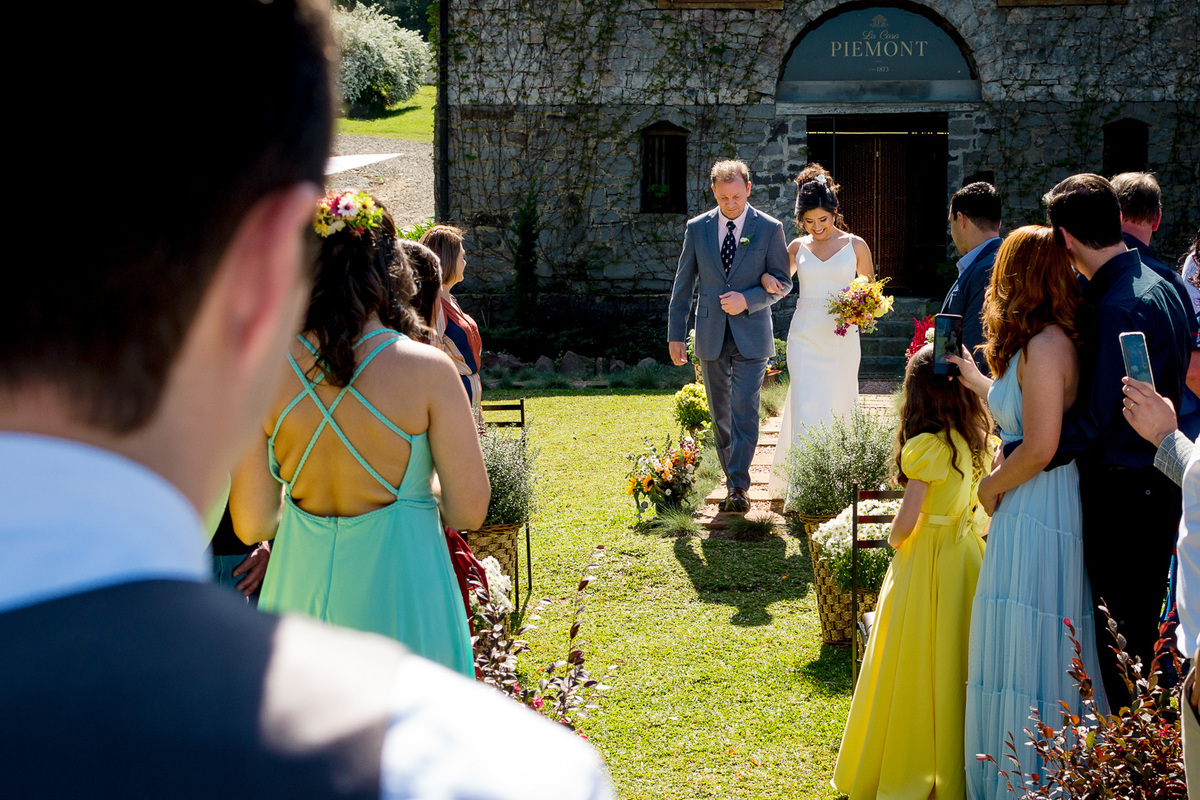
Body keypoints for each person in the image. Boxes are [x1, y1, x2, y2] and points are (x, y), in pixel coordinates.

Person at [0, 4, 611, 796]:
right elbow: (468, 508)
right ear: (262, 270)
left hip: (299, 572)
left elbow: (252, 523)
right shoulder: (470, 771)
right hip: (402, 582)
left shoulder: (285, 376)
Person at [231, 192, 486, 678]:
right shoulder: (427, 371)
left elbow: (252, 523)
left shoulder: (263, 370)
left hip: (298, 599)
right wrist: (419, 487)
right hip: (404, 598)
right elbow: (469, 509)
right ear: (391, 270)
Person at [949, 226, 1108, 798]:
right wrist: (977, 381)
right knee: (1017, 633)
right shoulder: (1041, 340)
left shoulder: (1045, 348)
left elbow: (1040, 446)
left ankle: (1034, 781)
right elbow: (1018, 416)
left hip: (1038, 503)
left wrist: (991, 487)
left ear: (1018, 276)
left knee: (1032, 635)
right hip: (1029, 499)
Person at [1047, 173, 1191, 709]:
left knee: (1121, 647)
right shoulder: (1163, 283)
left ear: (1064, 239)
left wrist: (1025, 453)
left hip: (1125, 495)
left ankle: (1134, 771)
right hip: (1159, 484)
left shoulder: (1115, 308)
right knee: (1144, 639)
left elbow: (1097, 422)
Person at [832, 344, 994, 800]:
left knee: (913, 661)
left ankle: (908, 769)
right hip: (966, 560)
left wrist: (895, 542)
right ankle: (954, 770)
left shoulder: (927, 448)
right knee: (957, 661)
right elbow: (983, 511)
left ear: (917, 395)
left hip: (926, 561)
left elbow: (905, 522)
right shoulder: (978, 442)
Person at [667, 160, 792, 512]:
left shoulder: (769, 228)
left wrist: (748, 299)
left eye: (737, 196)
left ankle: (738, 486)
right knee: (720, 412)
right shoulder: (697, 228)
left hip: (752, 334)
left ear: (748, 189)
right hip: (709, 333)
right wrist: (676, 334)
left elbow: (783, 283)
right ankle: (733, 480)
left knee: (744, 409)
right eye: (724, 198)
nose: (731, 204)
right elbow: (683, 284)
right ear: (714, 193)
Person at [763, 163, 874, 502]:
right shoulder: (796, 247)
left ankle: (839, 483)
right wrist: (768, 281)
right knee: (806, 404)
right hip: (805, 337)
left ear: (835, 212)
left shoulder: (857, 245)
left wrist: (860, 305)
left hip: (842, 337)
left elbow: (871, 290)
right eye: (809, 222)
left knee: (839, 402)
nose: (817, 228)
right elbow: (778, 283)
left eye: (823, 220)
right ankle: (803, 488)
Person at [1112, 172, 1200, 439]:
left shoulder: (1080, 275)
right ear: (1157, 220)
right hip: (1156, 434)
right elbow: (1193, 371)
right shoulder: (1167, 283)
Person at [940, 182, 1003, 375]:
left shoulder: (988, 268)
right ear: (998, 223)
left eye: (951, 223)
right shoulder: (990, 260)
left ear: (961, 219)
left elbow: (974, 347)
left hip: (970, 393)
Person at [421, 225, 484, 411]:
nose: (465, 262)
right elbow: (432, 358)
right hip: (452, 398)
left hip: (467, 393)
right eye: (461, 256)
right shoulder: (435, 304)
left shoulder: (450, 299)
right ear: (447, 259)